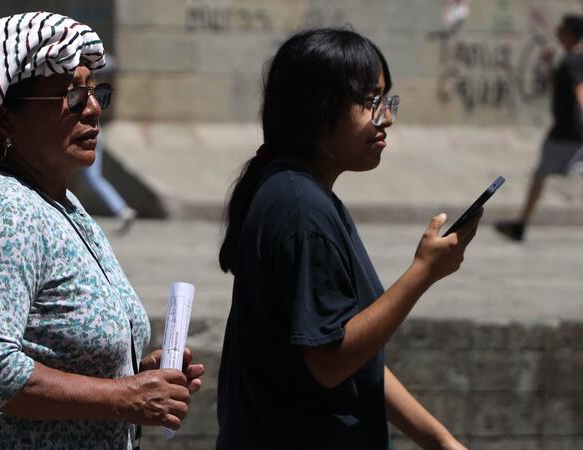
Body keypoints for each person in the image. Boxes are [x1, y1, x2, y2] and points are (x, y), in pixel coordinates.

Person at [0, 12, 203, 449]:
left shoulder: (59, 202)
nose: (92, 109)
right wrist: (123, 396)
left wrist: (136, 375)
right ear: (3, 119)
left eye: (96, 94)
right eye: (72, 96)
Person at [216, 28, 478, 449]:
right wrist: (424, 273)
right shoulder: (303, 210)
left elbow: (358, 355)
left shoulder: (301, 193)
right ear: (319, 110)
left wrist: (438, 440)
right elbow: (330, 359)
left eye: (386, 100)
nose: (386, 117)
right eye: (370, 101)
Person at [496, 14, 583, 241]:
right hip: (570, 132)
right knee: (541, 175)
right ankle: (521, 224)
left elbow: (580, 90)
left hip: (566, 133)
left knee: (540, 175)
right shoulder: (571, 59)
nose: (557, 32)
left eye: (562, 29)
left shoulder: (573, 60)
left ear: (571, 34)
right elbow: (561, 87)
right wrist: (548, 63)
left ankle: (521, 224)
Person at [79, 53, 137, 234]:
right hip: (93, 132)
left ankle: (121, 210)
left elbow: (110, 63)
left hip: (91, 133)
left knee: (93, 178)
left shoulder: (88, 71)